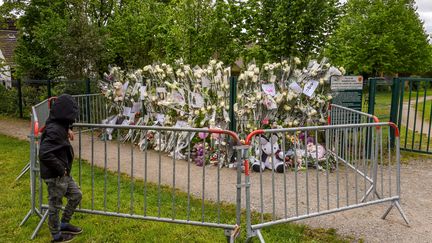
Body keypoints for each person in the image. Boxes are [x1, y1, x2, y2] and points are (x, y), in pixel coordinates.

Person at [39, 94, 82, 242]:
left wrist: (69, 128)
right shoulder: (54, 130)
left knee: (76, 195)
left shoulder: (58, 123)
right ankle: (56, 235)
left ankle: (64, 223)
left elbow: (57, 120)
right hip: (55, 175)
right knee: (55, 205)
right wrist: (60, 169)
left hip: (63, 174)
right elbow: (44, 153)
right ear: (66, 113)